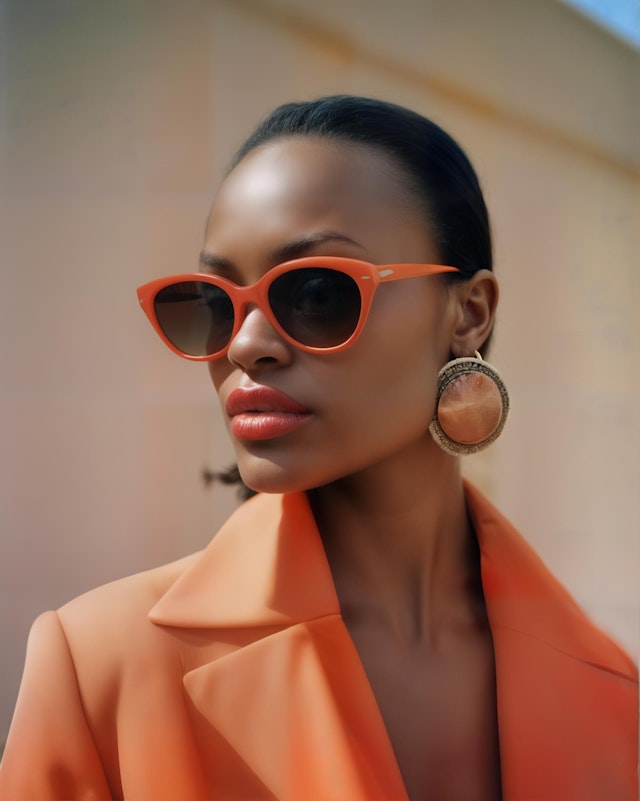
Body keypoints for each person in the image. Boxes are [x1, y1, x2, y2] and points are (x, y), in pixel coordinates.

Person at [0, 95, 636, 801]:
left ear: (469, 313)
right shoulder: (98, 670)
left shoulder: (618, 699)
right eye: (215, 303)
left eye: (315, 292)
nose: (244, 345)